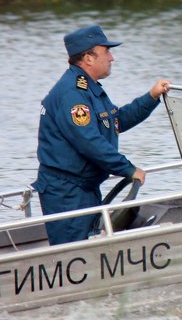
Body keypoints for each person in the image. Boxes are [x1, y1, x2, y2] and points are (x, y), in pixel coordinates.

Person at [33, 25, 170, 245]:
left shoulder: (90, 89)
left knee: (88, 247)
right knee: (73, 255)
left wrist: (151, 97)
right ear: (88, 58)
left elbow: (116, 121)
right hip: (67, 193)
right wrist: (128, 169)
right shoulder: (72, 94)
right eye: (106, 52)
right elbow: (89, 142)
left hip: (84, 188)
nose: (112, 57)